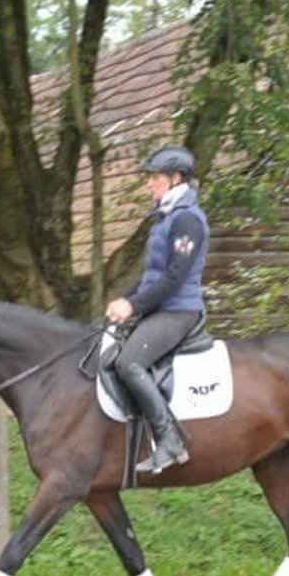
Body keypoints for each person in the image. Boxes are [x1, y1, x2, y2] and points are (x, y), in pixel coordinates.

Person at [105, 145, 210, 474]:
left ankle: (170, 441)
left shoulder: (187, 220)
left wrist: (133, 305)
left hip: (180, 310)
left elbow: (175, 277)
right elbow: (151, 276)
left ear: (176, 178)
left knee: (129, 362)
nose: (148, 184)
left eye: (154, 178)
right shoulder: (164, 218)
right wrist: (125, 300)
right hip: (161, 308)